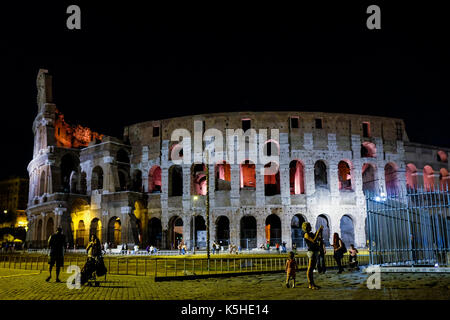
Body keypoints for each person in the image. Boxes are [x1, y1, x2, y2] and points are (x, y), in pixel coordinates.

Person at [303, 222, 323, 290]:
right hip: (311, 252)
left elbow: (316, 238)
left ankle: (312, 284)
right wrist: (318, 231)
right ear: (306, 227)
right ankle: (310, 284)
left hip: (314, 251)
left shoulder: (310, 233)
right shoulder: (306, 234)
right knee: (310, 269)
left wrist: (319, 232)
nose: (311, 227)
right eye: (309, 226)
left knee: (311, 268)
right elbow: (314, 240)